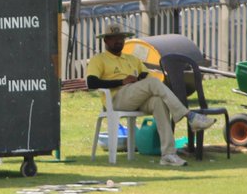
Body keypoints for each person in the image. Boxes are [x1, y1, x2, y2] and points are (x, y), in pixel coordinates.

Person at [85, 22, 215, 167]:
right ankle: (190, 116)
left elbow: (146, 75)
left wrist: (139, 79)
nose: (118, 41)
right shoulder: (99, 59)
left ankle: (168, 154)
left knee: (158, 101)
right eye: (114, 38)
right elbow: (91, 83)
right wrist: (121, 81)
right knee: (153, 83)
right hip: (116, 99)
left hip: (136, 96)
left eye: (121, 37)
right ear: (106, 40)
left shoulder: (131, 59)